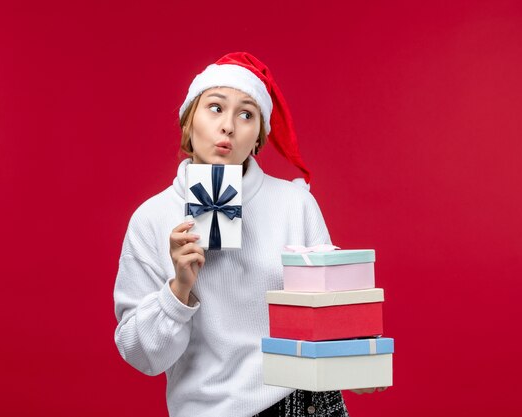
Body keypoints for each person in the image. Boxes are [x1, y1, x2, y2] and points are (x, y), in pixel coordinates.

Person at [114, 52, 383, 417]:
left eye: (246, 114)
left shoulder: (294, 203)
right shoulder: (152, 219)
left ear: (259, 135)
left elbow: (332, 310)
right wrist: (179, 288)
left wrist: (359, 357)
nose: (228, 126)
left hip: (306, 404)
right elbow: (143, 356)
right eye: (215, 108)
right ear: (189, 120)